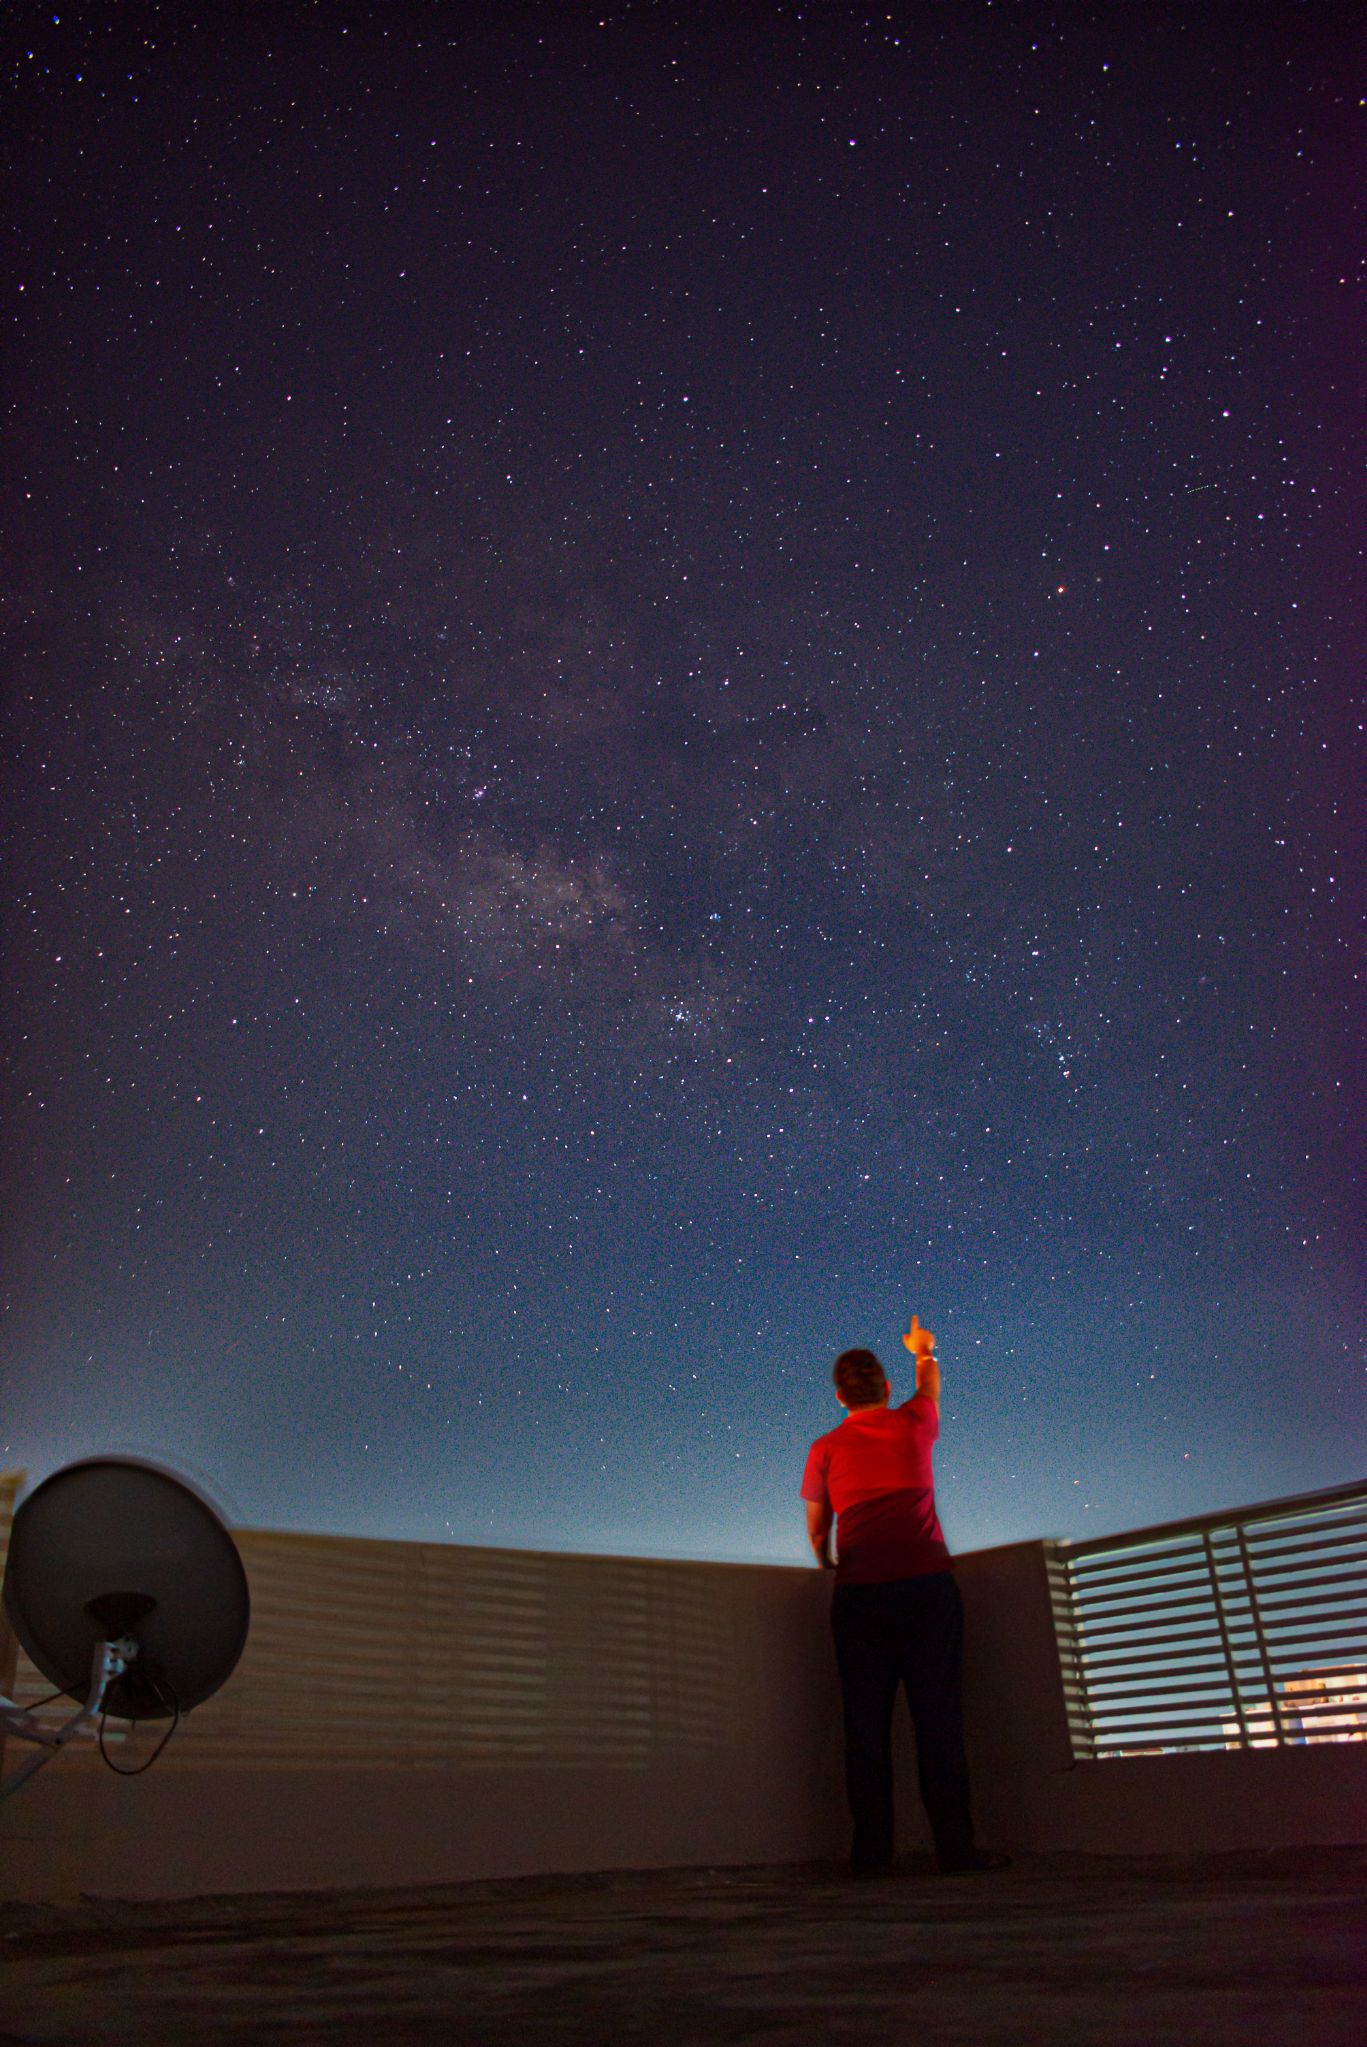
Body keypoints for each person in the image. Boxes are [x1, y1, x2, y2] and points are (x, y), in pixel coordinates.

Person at [800, 1316, 1005, 1877]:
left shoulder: (824, 1447)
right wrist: (924, 1351)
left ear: (839, 1397)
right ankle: (956, 1852)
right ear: (887, 1389)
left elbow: (818, 1528)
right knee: (938, 1722)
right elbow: (930, 1386)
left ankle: (870, 1858)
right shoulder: (915, 1421)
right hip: (927, 1591)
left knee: (865, 1730)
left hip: (861, 1598)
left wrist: (826, 1561)